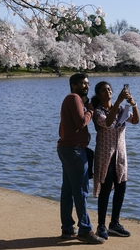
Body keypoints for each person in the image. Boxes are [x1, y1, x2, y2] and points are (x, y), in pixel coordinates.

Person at [57, 73, 105, 244]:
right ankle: (85, 230)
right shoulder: (74, 98)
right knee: (81, 191)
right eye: (83, 83)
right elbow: (81, 122)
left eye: (88, 83)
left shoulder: (70, 100)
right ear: (73, 85)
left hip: (67, 149)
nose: (87, 86)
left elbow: (62, 128)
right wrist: (91, 109)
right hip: (74, 151)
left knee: (68, 190)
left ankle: (68, 228)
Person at [90, 81, 140, 240]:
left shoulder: (120, 110)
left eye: (109, 89)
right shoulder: (98, 112)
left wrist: (133, 104)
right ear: (98, 95)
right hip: (105, 156)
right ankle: (101, 226)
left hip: (120, 155)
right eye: (104, 91)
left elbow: (136, 120)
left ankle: (115, 224)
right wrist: (118, 100)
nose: (108, 92)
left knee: (121, 188)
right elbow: (108, 122)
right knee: (105, 190)